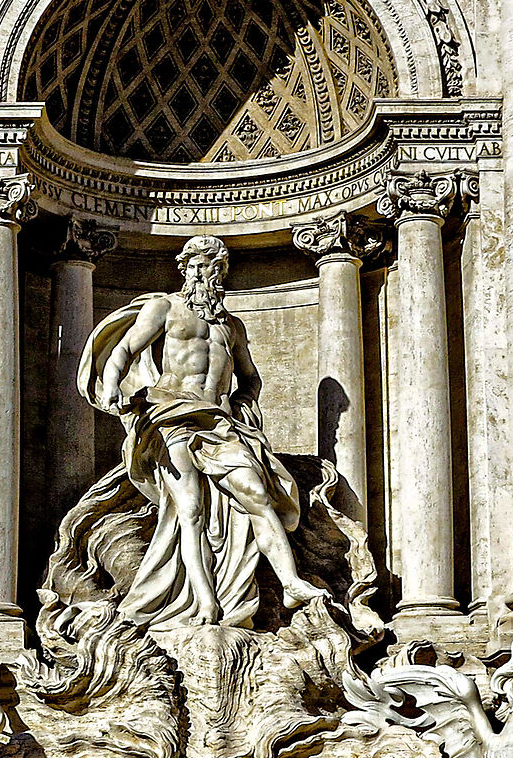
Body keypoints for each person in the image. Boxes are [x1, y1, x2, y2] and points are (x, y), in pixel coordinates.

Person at [82, 234, 329, 627]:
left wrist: (245, 404)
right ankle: (205, 602)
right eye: (194, 266)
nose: (202, 273)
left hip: (219, 421)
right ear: (185, 271)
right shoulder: (166, 308)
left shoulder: (231, 325)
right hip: (171, 414)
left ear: (221, 273)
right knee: (190, 510)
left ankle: (291, 581)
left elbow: (249, 376)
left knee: (258, 494)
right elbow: (124, 351)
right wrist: (111, 384)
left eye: (210, 266)